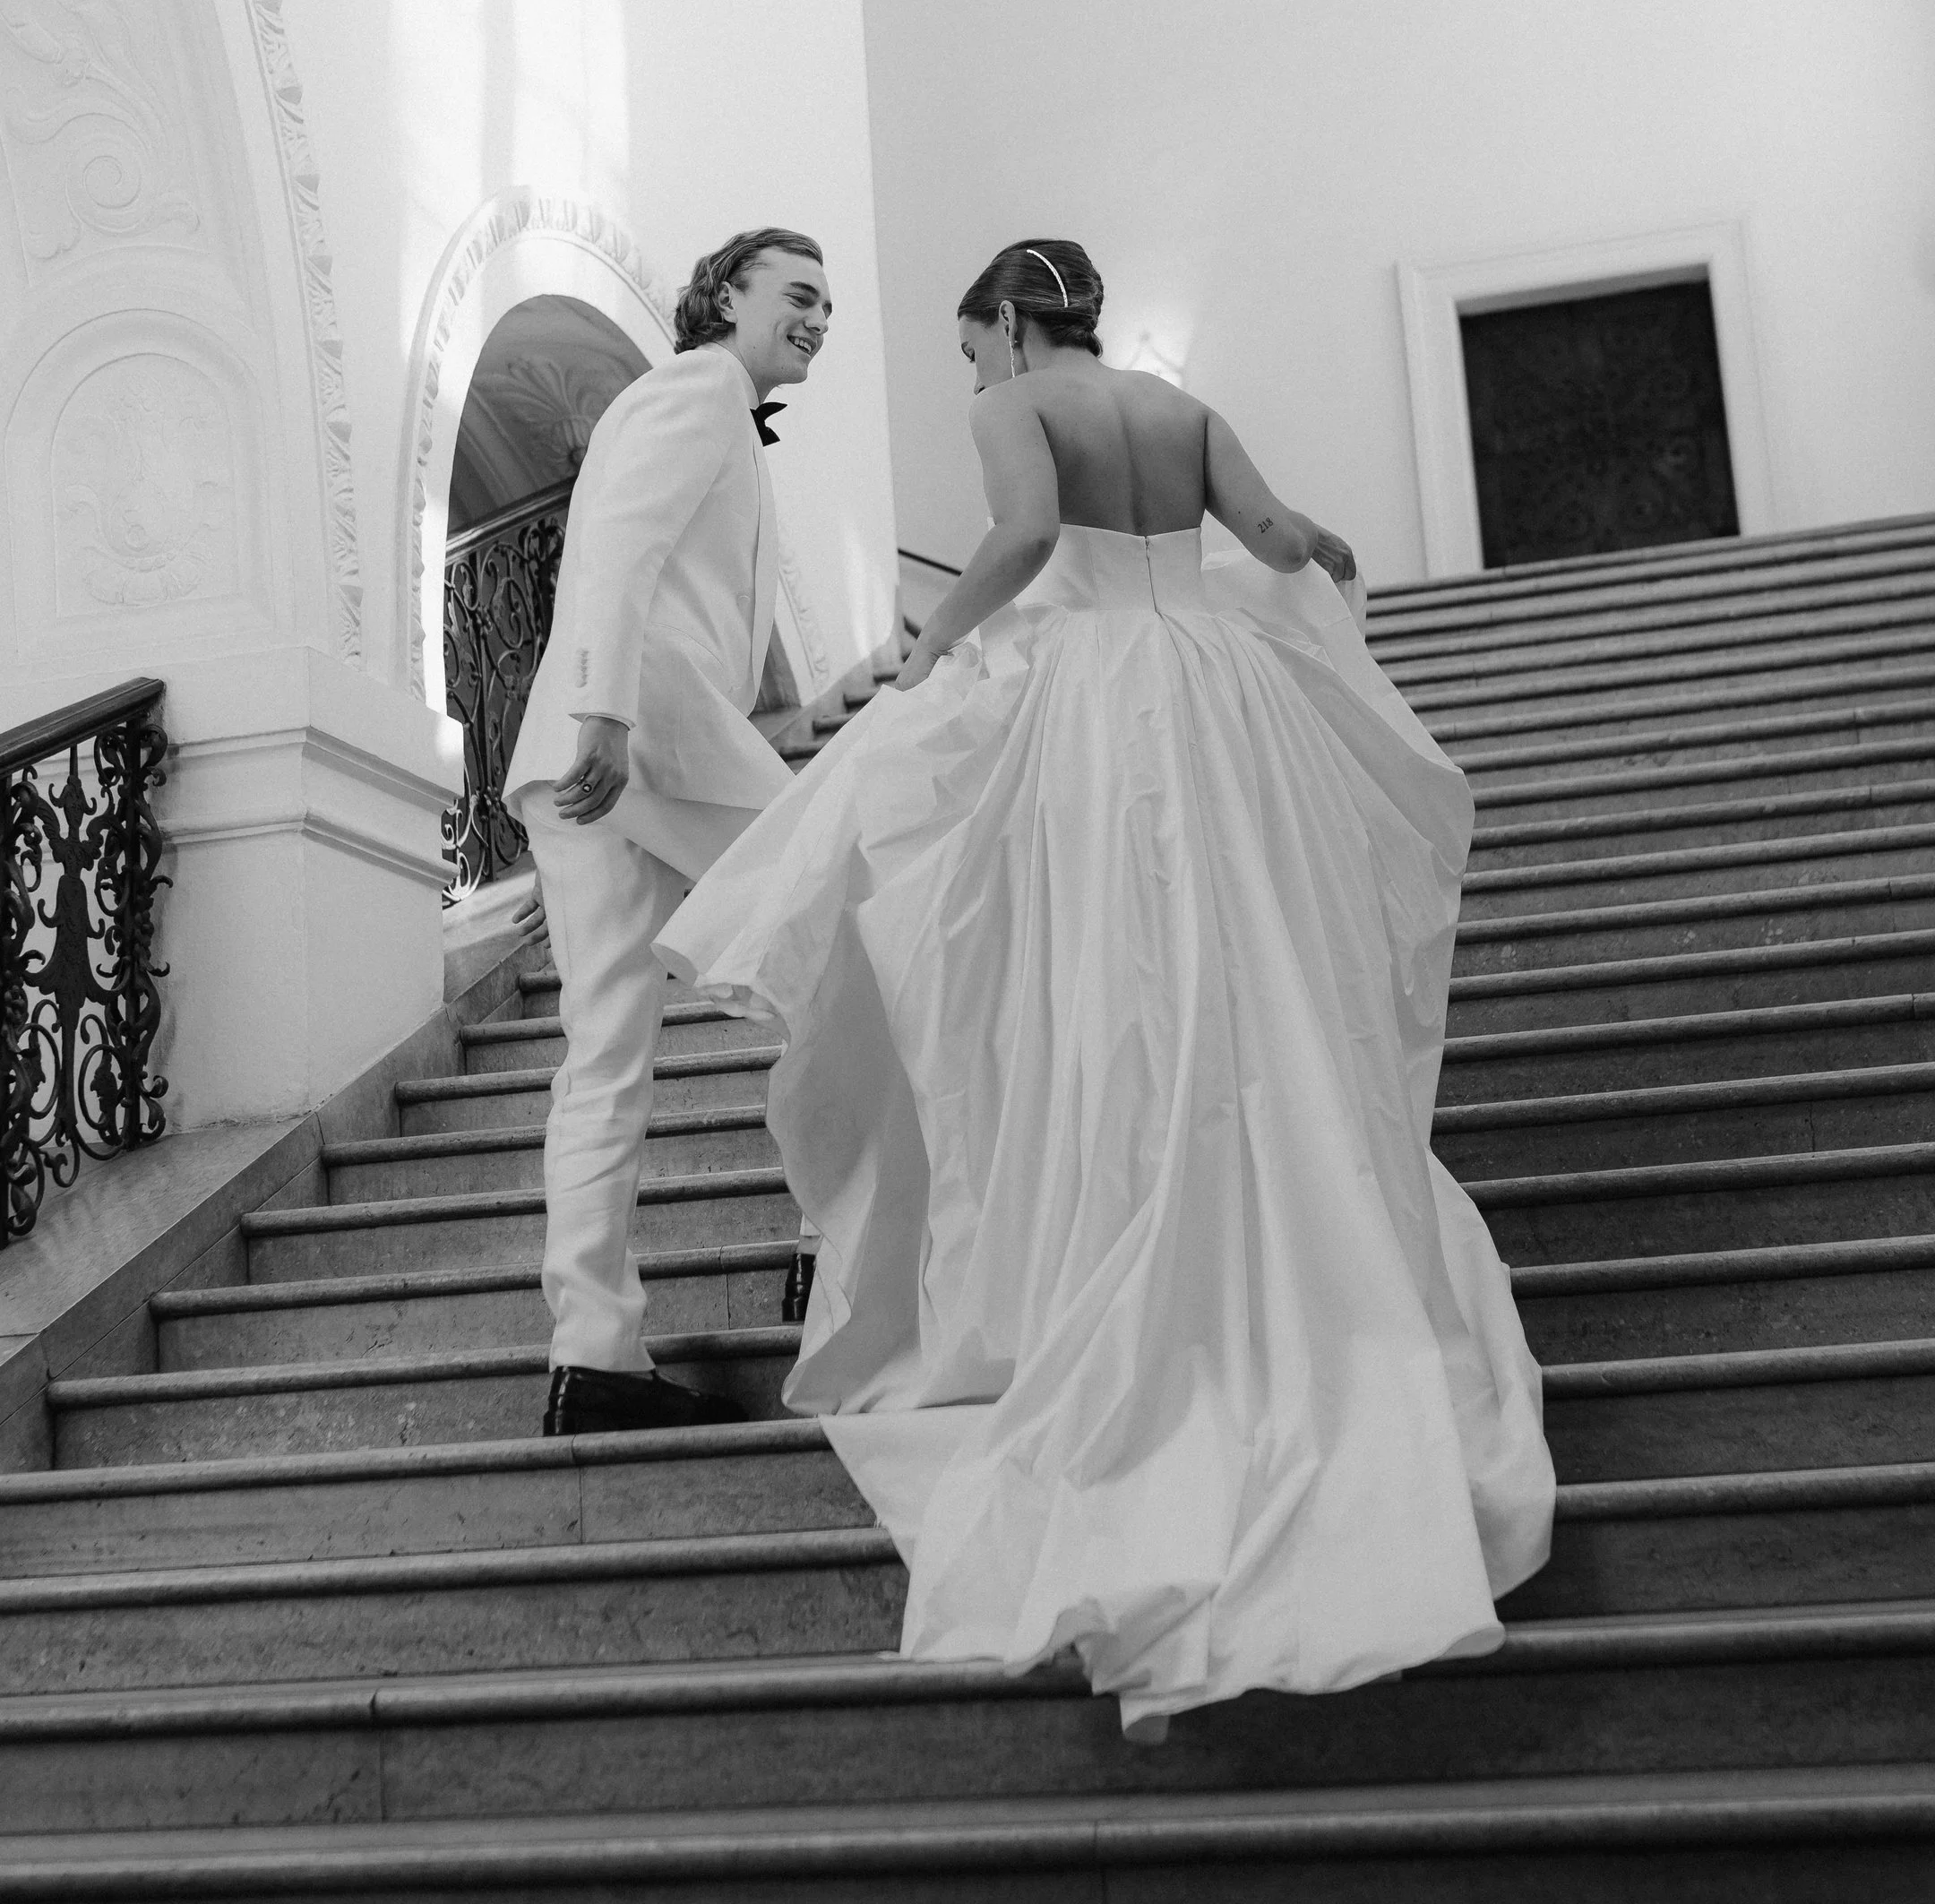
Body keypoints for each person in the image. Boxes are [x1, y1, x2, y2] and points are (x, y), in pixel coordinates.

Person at [659, 237, 1553, 1737]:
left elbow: (1016, 540)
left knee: (1115, 963)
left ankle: (1136, 1198)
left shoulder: (1024, 409)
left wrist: (926, 647)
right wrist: (1321, 558)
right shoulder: (1171, 401)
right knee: (1245, 952)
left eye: (975, 351)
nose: (979, 376)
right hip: (1218, 686)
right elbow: (1270, 529)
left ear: (1013, 321)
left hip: (1099, 705)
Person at [505, 227, 831, 1438]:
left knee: (603, 1060)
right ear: (726, 296)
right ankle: (839, 1233)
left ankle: (592, 1353)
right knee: (844, 925)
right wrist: (602, 717)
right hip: (641, 740)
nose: (818, 317)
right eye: (797, 294)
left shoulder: (697, 407)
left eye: (828, 304)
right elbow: (622, 553)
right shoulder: (696, 391)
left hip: (601, 756)